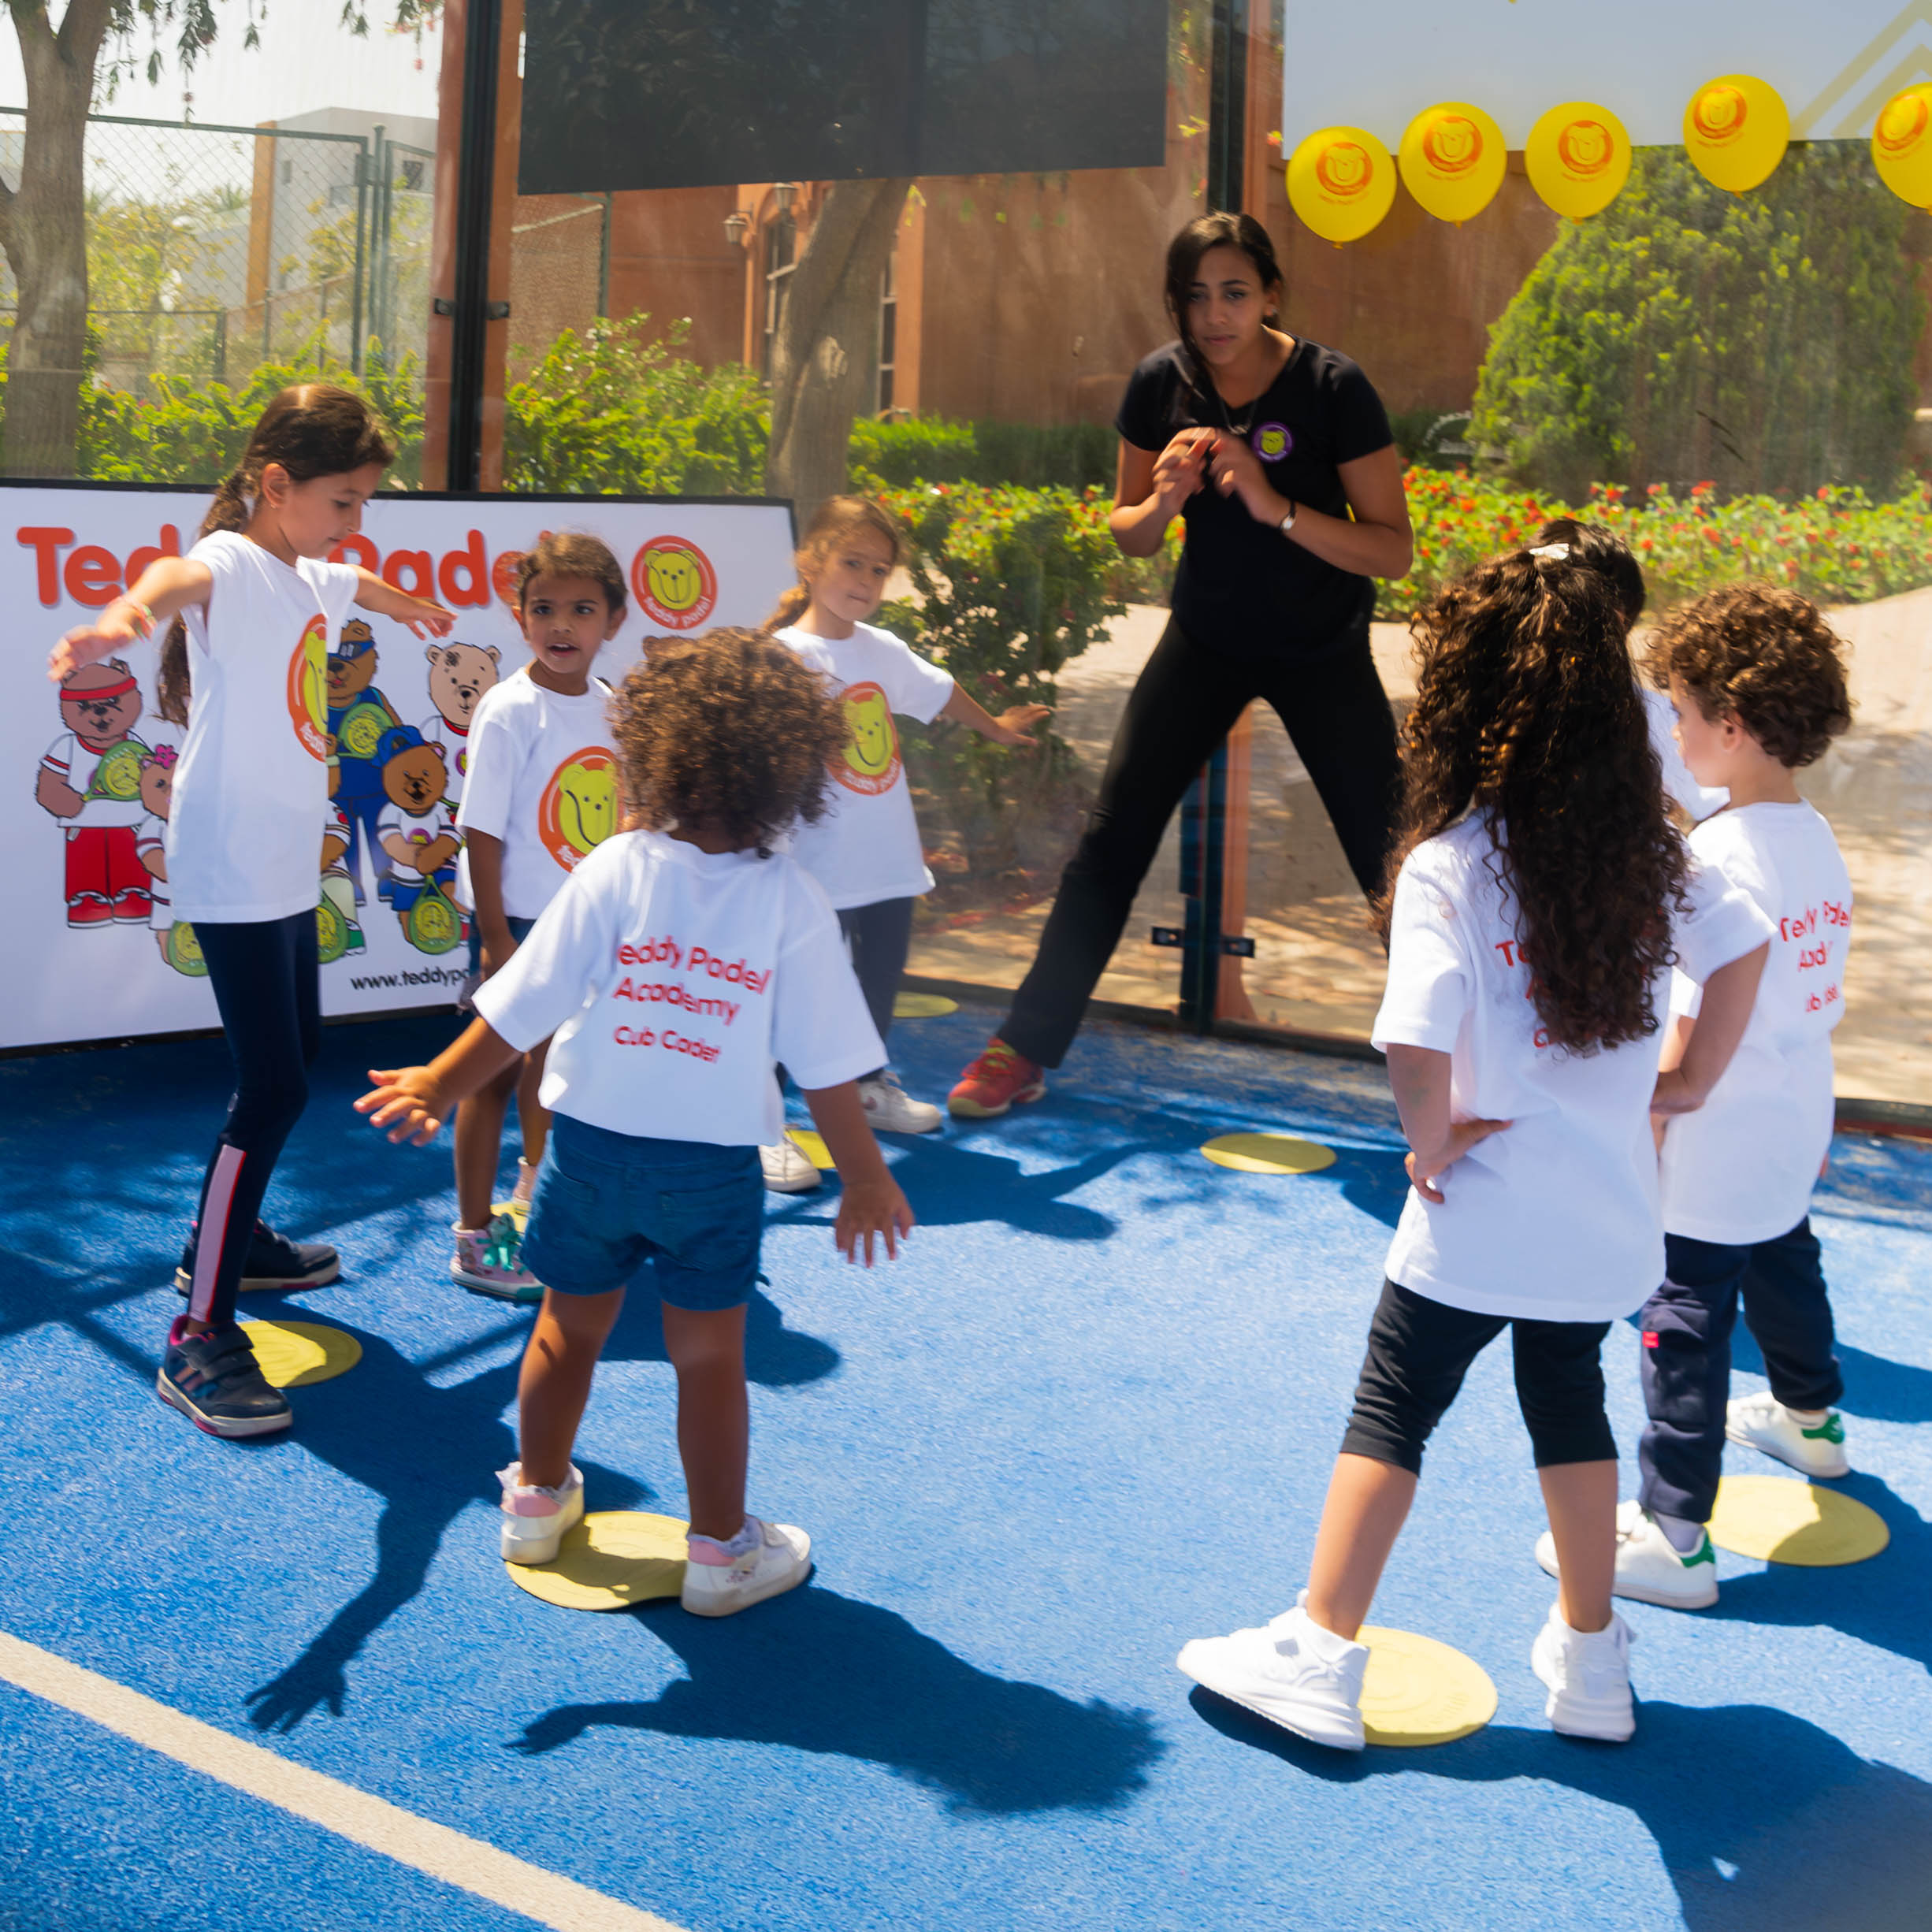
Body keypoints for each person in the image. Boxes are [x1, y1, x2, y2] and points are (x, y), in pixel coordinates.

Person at [1175, 547, 1773, 1749]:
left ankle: (1321, 1648)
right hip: (1602, 1221)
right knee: (1569, 1403)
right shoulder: (1646, 858)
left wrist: (1433, 1137)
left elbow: (1414, 1039)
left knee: (1393, 1406)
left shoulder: (1449, 866)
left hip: (1478, 1213)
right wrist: (1688, 1082)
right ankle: (1593, 1660)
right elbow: (1746, 943)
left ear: (1464, 702)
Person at [355, 628, 915, 1616]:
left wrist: (439, 1083)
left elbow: (520, 1005)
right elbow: (830, 1064)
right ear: (789, 774)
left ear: (654, 753)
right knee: (708, 1356)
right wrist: (865, 1176)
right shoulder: (791, 898)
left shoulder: (615, 865)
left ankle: (534, 1501)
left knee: (566, 1328)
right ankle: (720, 1552)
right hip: (710, 1172)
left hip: (586, 1155)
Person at [47, 383, 454, 1439]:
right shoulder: (231, 561)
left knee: (296, 1055)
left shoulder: (309, 573)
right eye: (343, 500)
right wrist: (126, 617)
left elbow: (352, 579)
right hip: (229, 860)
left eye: (363, 502)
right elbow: (174, 577)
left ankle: (232, 1242)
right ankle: (197, 1331)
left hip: (281, 864)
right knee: (273, 1085)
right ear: (277, 485)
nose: (354, 521)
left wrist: (402, 604)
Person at [948, 210, 1413, 1119]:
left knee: (1394, 860)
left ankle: (1470, 1059)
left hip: (1321, 648)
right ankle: (1023, 1046)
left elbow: (1392, 551)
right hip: (1205, 642)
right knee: (1108, 843)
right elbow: (1128, 532)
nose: (1214, 314)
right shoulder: (1160, 383)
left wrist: (1274, 505)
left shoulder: (1332, 386)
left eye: (1234, 292)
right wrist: (1162, 502)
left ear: (1269, 294)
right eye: (1194, 297)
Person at [1537, 584, 1856, 1611]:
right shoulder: (1815, 837)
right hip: (1794, 1111)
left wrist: (1649, 1122)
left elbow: (1689, 1018)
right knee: (1782, 1257)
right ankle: (1812, 1422)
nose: (1670, 733)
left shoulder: (1712, 854)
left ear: (1733, 726)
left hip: (1713, 1132)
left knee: (1681, 1314)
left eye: (1679, 713)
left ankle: (1675, 1535)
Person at [761, 494, 1050, 1191]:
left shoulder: (881, 650)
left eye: (878, 569)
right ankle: (761, 1119)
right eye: (852, 562)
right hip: (812, 867)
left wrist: (996, 727)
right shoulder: (781, 655)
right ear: (810, 562)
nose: (865, 579)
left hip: (886, 862)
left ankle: (867, 1086)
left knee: (879, 980)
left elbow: (940, 692)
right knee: (796, 994)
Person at [448, 533, 627, 1298]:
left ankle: (532, 1203)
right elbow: (481, 830)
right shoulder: (508, 708)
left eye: (582, 609)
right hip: (516, 926)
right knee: (488, 1076)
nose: (561, 624)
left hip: (581, 930)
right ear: (520, 617)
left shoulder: (614, 708)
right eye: (544, 608)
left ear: (613, 621)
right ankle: (472, 1237)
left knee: (556, 1071)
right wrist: (494, 936)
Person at [1529, 518, 1730, 823]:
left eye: (1574, 608)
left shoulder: (1657, 718)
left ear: (1617, 620)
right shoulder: (1499, 703)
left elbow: (1720, 810)